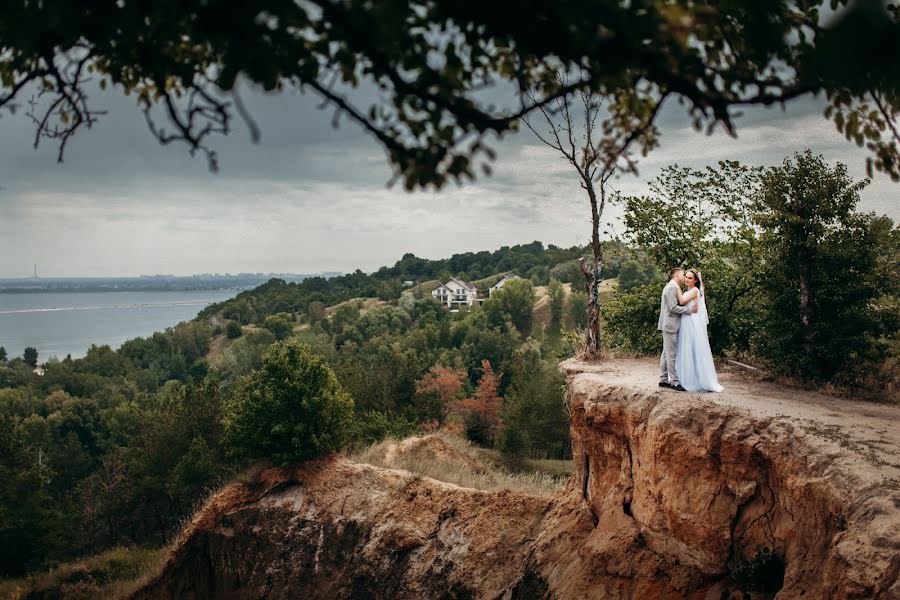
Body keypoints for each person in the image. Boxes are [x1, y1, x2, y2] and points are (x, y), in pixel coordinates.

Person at [674, 269, 723, 392]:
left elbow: (682, 301)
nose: (686, 280)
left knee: (692, 348)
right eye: (686, 277)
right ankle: (687, 376)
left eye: (690, 278)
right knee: (686, 348)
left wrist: (676, 287)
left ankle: (693, 380)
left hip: (691, 322)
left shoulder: (695, 290)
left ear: (696, 280)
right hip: (687, 320)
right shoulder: (691, 290)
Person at [658, 268, 698, 391]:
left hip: (669, 324)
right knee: (671, 354)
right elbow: (672, 308)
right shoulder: (671, 287)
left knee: (666, 353)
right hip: (670, 325)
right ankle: (674, 382)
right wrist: (689, 310)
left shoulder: (674, 287)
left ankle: (663, 379)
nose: (684, 276)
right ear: (676, 275)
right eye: (683, 274)